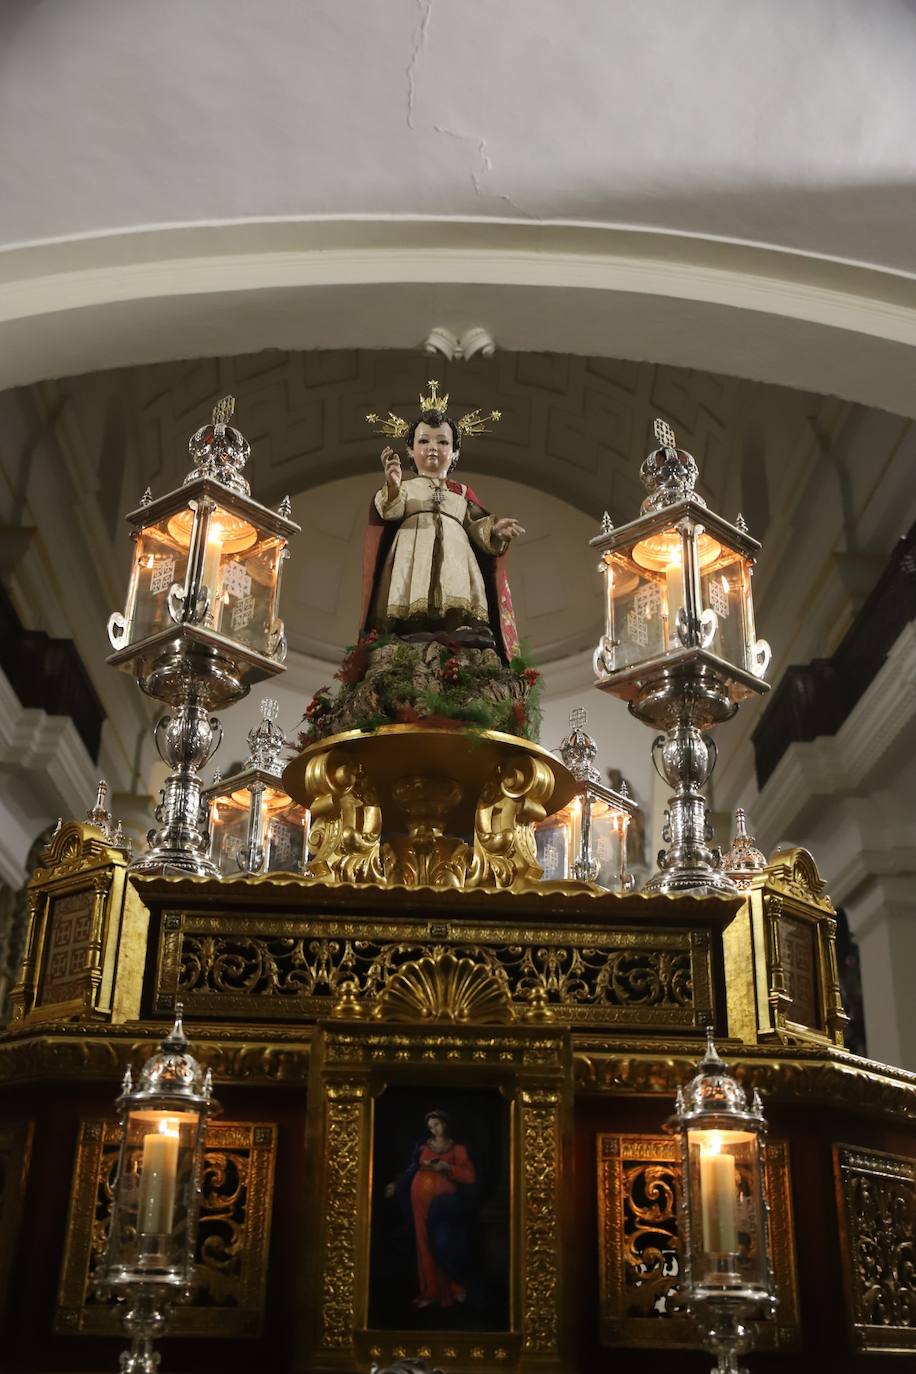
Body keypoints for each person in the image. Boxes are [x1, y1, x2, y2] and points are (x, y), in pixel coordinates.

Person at [361, 397, 524, 660]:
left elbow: (476, 526)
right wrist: (392, 484)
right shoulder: (406, 487)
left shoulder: (461, 492)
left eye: (442, 441)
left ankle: (458, 628)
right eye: (424, 441)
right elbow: (389, 511)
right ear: (410, 450)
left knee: (457, 590)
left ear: (455, 452)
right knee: (412, 587)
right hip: (413, 543)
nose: (432, 448)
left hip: (456, 550)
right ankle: (411, 628)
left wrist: (495, 531)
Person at [384, 1108, 478, 1309]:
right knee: (423, 1242)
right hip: (418, 1199)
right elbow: (412, 1169)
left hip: (444, 1204)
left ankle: (456, 1287)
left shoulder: (458, 1148)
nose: (434, 1130)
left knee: (444, 1242)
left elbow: (470, 1176)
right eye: (430, 1127)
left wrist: (447, 1168)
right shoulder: (422, 1146)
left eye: (436, 1124)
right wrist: (397, 1184)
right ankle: (430, 1291)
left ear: (445, 1123)